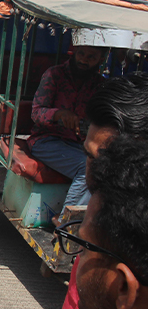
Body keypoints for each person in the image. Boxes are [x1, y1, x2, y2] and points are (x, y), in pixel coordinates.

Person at [59, 72, 148, 309]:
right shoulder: (96, 234)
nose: (96, 175)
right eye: (90, 157)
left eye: (111, 167)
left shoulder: (105, 247)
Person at [28, 45, 107, 225]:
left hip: (79, 143)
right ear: (75, 53)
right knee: (85, 167)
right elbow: (36, 113)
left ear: (101, 60)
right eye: (81, 54)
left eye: (91, 57)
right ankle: (65, 222)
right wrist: (59, 114)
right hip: (46, 140)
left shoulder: (100, 85)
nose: (84, 60)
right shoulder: (54, 75)